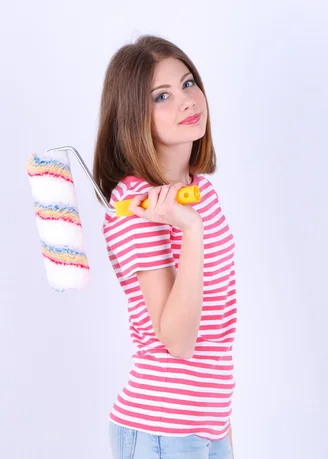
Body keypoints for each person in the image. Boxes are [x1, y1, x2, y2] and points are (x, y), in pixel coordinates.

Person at [92, 35, 237, 459]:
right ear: (134, 116)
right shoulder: (134, 205)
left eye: (188, 83)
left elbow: (217, 331)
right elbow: (178, 341)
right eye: (162, 96)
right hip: (161, 430)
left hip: (208, 425)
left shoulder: (202, 193)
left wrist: (224, 435)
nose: (186, 102)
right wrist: (190, 232)